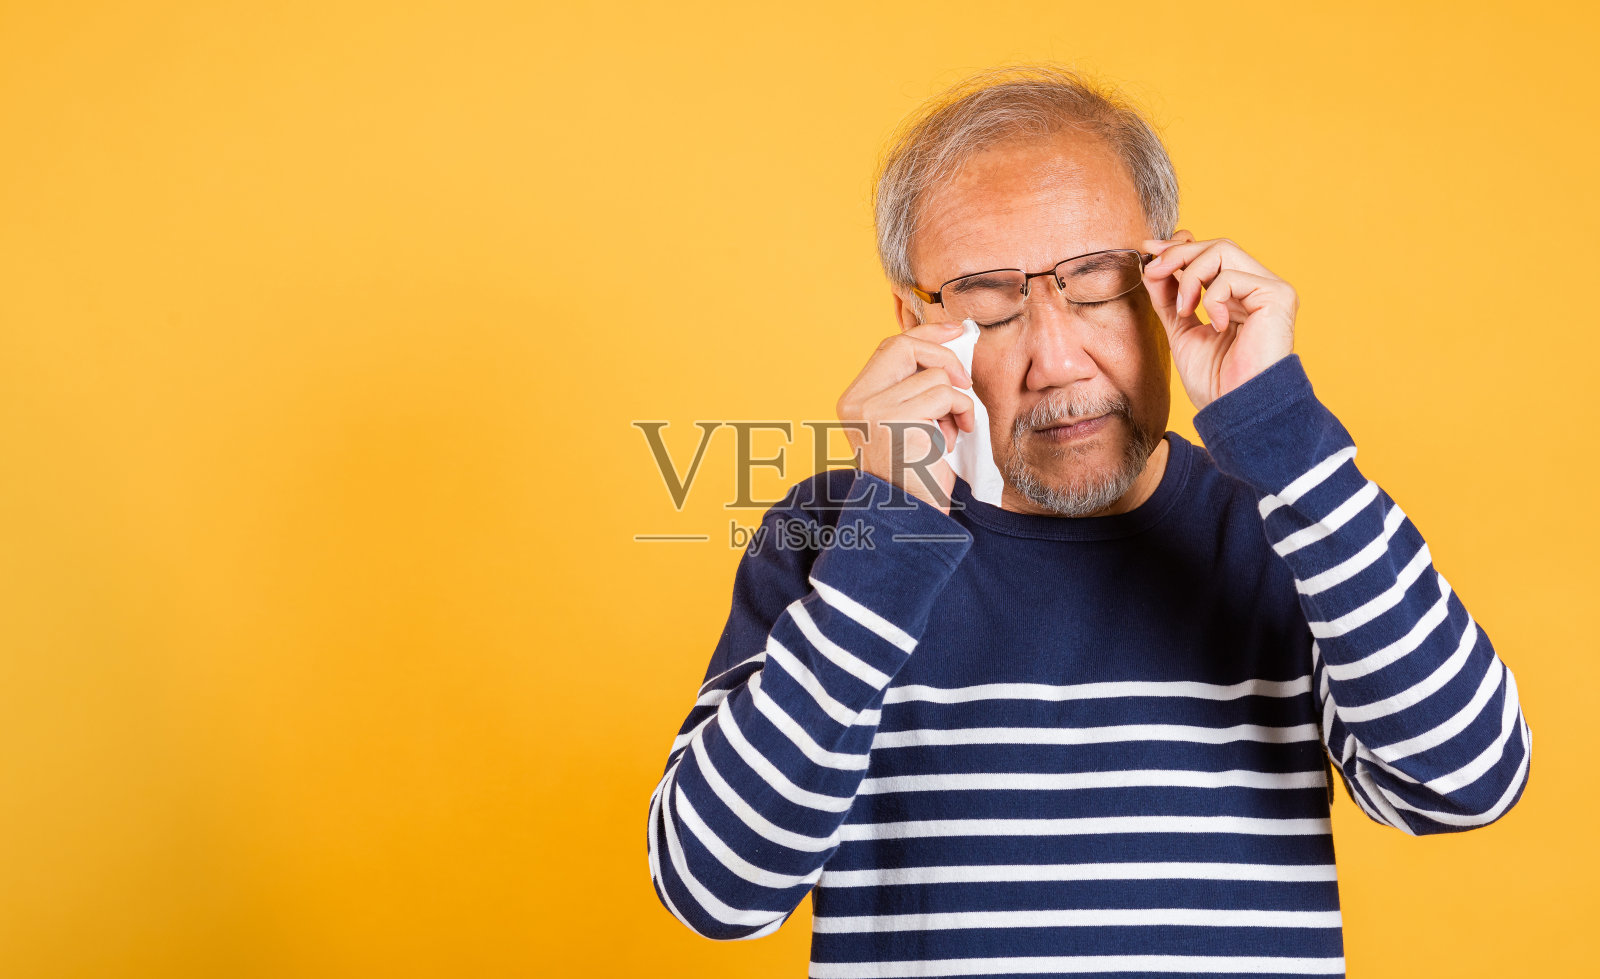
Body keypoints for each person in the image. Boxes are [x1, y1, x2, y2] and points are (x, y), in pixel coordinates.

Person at [645, 64, 1532, 978]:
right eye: (991, 297)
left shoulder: (1285, 518)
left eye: (1097, 280)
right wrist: (894, 538)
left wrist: (1281, 434)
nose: (1057, 360)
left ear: (1170, 277)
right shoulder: (845, 532)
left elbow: (1466, 781)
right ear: (916, 323)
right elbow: (717, 891)